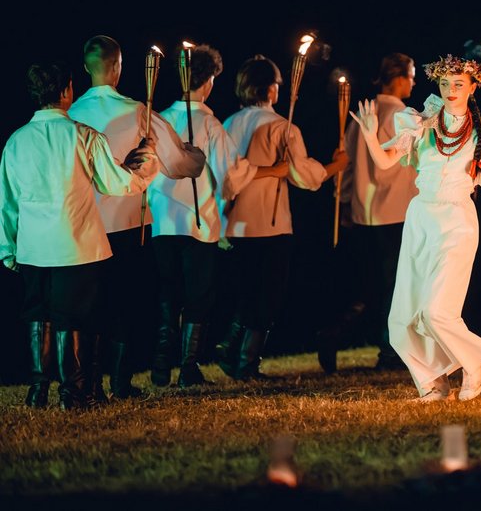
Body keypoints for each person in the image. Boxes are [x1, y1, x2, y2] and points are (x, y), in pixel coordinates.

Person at [349, 54, 481, 402]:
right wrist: (372, 136)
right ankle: (433, 384)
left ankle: (474, 362)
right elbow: (386, 162)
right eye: (445, 84)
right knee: (403, 317)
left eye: (459, 84)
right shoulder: (420, 124)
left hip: (457, 222)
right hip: (421, 218)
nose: (451, 90)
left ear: (473, 87)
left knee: (438, 312)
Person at [0, 62, 157, 409]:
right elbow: (118, 183)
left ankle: (38, 390)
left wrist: (8, 247)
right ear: (67, 90)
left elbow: (7, 202)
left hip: (31, 245)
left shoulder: (15, 142)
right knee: (75, 318)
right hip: (75, 244)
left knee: (38, 314)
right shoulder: (83, 135)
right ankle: (74, 392)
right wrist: (146, 161)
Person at [69, 35, 206, 399]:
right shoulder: (138, 111)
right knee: (125, 303)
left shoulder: (70, 116)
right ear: (119, 67)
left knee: (93, 305)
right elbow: (180, 164)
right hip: (129, 225)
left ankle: (91, 382)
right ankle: (119, 381)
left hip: (85, 226)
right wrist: (195, 153)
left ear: (86, 68)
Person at [147, 45, 287, 388]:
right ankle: (188, 367)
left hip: (163, 220)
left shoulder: (158, 118)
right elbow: (232, 172)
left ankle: (164, 355)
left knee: (169, 290)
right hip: (198, 221)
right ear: (208, 81)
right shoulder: (208, 122)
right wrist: (270, 171)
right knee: (199, 294)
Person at [217, 55, 348, 381]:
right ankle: (246, 362)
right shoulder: (282, 127)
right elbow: (306, 177)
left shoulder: (228, 124)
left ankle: (232, 350)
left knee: (248, 291)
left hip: (235, 221)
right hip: (270, 223)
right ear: (271, 89)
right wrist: (337, 166)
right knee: (269, 295)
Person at [323, 53, 419, 373]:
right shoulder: (404, 115)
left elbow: (347, 165)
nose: (414, 82)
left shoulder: (362, 114)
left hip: (365, 212)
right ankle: (389, 352)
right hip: (397, 210)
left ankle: (336, 331)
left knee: (373, 285)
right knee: (396, 285)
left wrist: (345, 200)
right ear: (401, 77)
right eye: (412, 75)